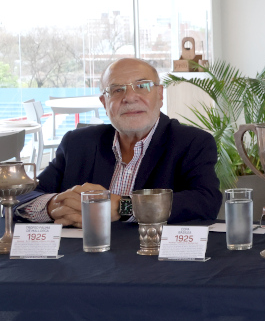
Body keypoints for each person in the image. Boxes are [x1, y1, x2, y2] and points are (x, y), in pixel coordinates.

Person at [16, 58, 221, 225]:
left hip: (153, 262)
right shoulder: (77, 143)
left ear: (159, 95)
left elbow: (205, 202)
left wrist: (123, 208)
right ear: (105, 103)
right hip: (83, 262)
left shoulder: (193, 142)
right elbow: (25, 196)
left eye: (142, 86)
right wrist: (53, 206)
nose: (130, 97)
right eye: (117, 90)